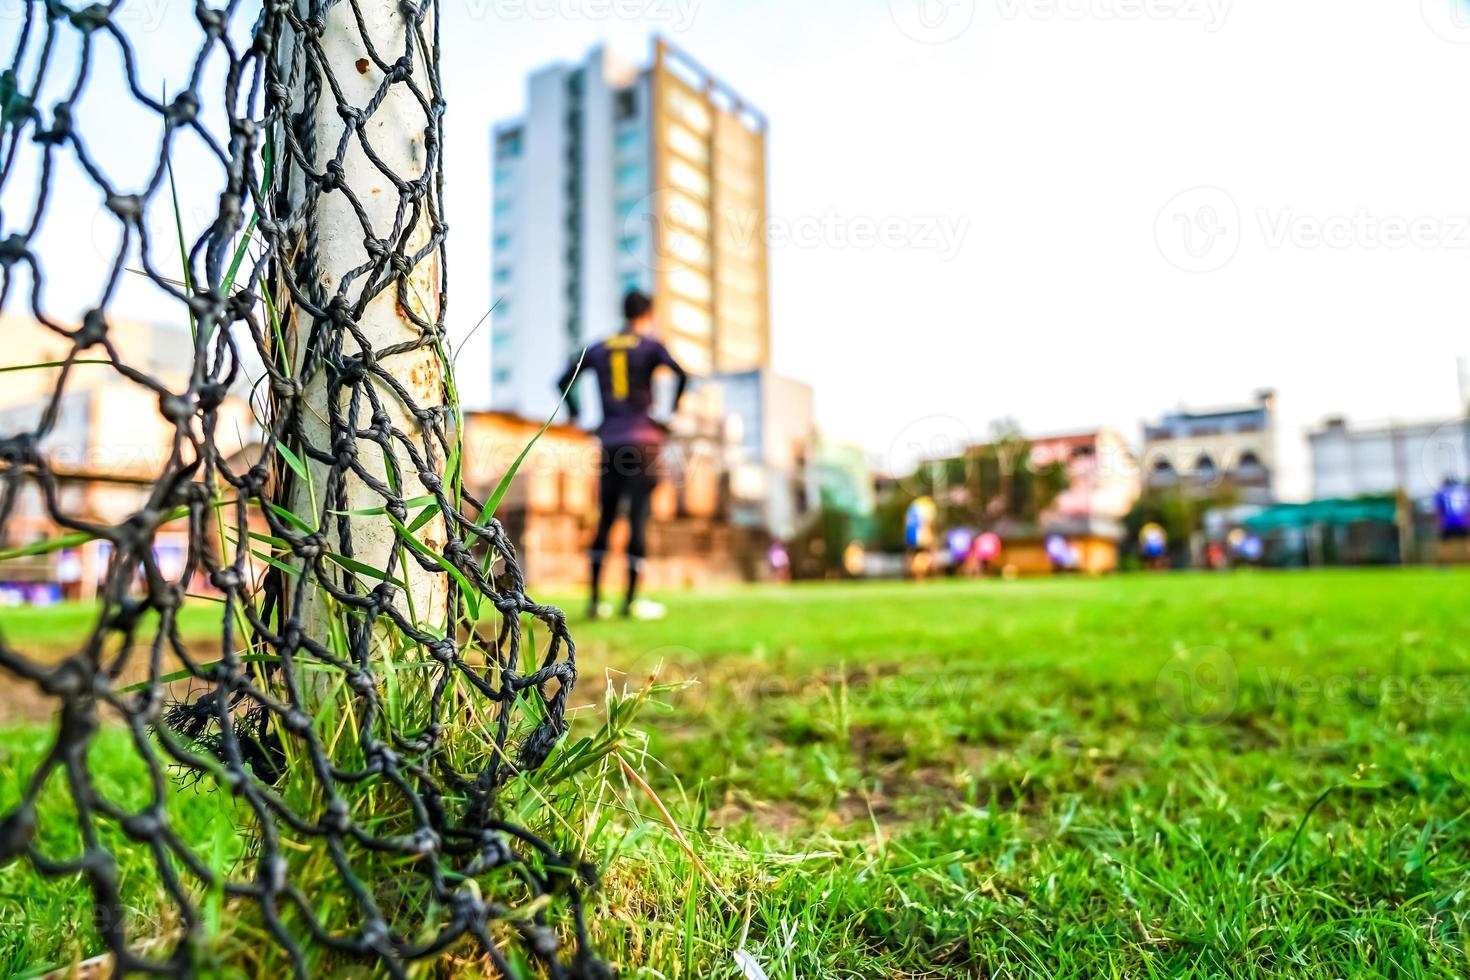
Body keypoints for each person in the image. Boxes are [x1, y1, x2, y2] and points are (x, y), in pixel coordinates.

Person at [556, 290, 688, 619]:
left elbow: (562, 380)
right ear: (648, 314)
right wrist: (670, 414)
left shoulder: (599, 348)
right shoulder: (651, 346)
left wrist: (576, 416)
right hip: (644, 442)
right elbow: (683, 375)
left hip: (611, 442)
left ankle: (596, 601)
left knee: (606, 518)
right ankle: (631, 601)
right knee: (638, 518)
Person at [1435, 476, 1470, 565]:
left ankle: (1443, 565)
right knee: (1467, 543)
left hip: (1447, 522)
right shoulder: (1463, 492)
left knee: (1445, 545)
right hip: (1462, 521)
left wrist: (1440, 523)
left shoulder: (1441, 492)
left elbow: (1439, 510)